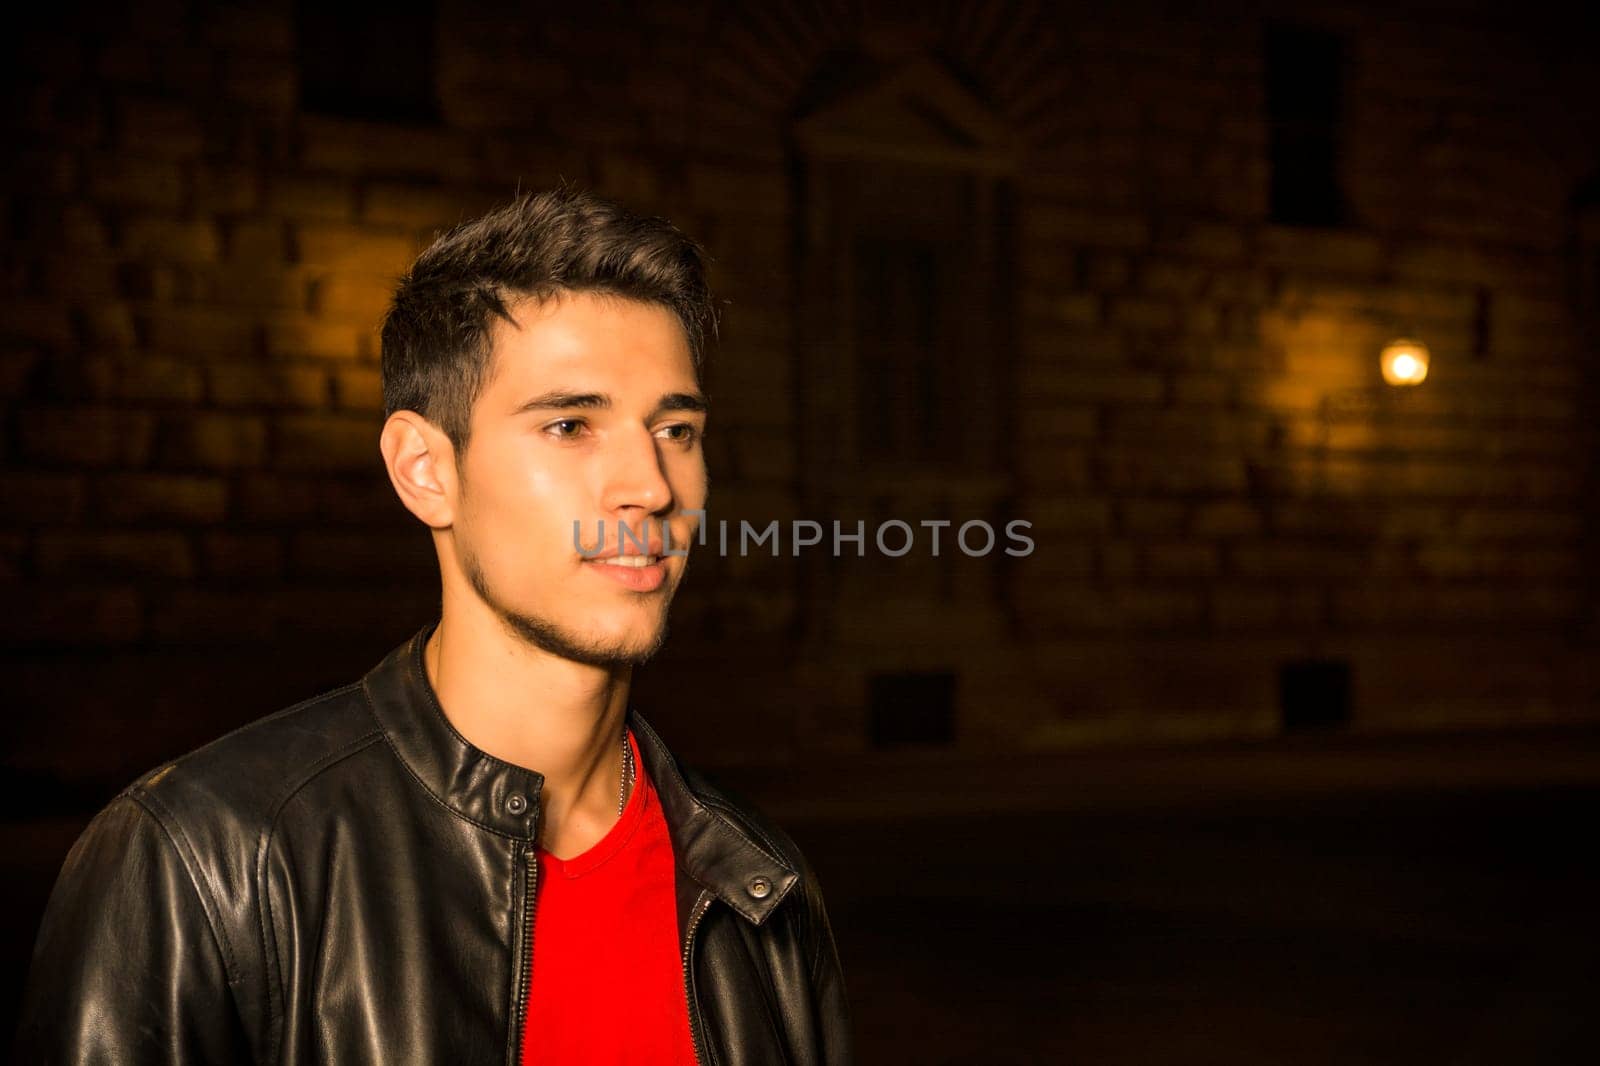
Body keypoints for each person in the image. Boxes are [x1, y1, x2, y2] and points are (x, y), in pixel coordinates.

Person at [15, 186, 853, 1064]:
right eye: (570, 425)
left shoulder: (760, 882)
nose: (649, 485)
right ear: (425, 471)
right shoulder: (203, 860)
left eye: (675, 428)